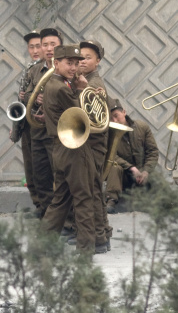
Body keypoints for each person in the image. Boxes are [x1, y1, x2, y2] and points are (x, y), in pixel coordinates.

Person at [42, 44, 97, 253]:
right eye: (69, 63)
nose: (74, 68)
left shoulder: (54, 84)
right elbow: (82, 112)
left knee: (61, 199)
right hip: (72, 149)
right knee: (83, 198)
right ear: (56, 63)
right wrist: (83, 90)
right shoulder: (62, 88)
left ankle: (44, 244)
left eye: (76, 63)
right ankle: (86, 250)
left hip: (60, 148)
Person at [75, 39, 112, 252]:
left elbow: (99, 113)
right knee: (94, 187)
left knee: (93, 189)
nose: (82, 61)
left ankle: (99, 236)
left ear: (97, 61)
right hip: (89, 141)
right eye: (80, 56)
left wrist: (83, 89)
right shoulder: (84, 79)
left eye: (88, 57)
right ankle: (103, 233)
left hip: (95, 142)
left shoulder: (94, 82)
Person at [23, 28, 63, 216]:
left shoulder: (65, 68)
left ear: (60, 46)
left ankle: (63, 217)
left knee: (60, 175)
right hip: (38, 131)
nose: (48, 49)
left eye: (52, 44)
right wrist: (34, 97)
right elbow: (27, 94)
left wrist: (48, 99)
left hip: (57, 132)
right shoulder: (35, 70)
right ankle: (48, 215)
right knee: (40, 176)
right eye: (44, 45)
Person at [105, 99, 159, 214]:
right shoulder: (108, 133)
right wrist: (131, 168)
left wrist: (145, 171)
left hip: (142, 172)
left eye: (116, 116)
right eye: (111, 118)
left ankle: (154, 200)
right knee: (114, 167)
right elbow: (111, 155)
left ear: (124, 112)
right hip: (124, 174)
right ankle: (111, 200)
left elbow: (153, 152)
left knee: (157, 175)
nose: (114, 120)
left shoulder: (142, 127)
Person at [12, 30, 42, 217]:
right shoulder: (30, 67)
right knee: (30, 170)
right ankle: (38, 205)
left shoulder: (47, 69)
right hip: (27, 125)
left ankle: (45, 209)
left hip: (40, 125)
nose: (35, 50)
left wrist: (29, 96)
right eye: (31, 47)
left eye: (38, 46)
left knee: (40, 170)